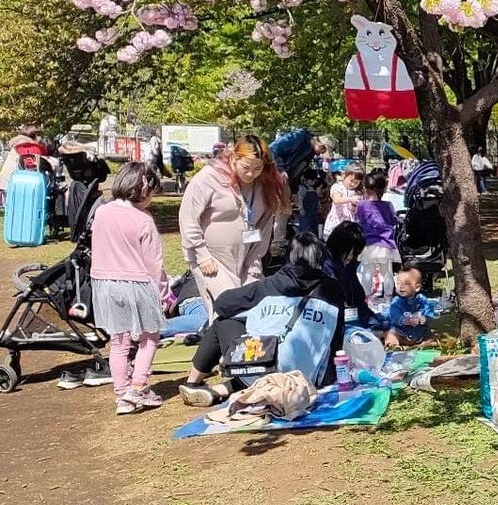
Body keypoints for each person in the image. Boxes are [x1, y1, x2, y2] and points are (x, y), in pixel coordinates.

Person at [178, 225, 369, 404]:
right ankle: (219, 390)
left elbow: (222, 304)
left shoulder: (271, 284)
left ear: (290, 258)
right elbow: (336, 337)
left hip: (266, 367)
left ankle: (193, 381)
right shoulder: (333, 289)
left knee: (223, 323)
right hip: (312, 379)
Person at [89, 161, 169, 416]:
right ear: (143, 189)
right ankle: (138, 385)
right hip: (138, 283)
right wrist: (164, 292)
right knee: (149, 336)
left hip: (105, 283)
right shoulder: (143, 220)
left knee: (119, 341)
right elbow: (154, 264)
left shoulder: (102, 212)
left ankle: (122, 394)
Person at [178, 134, 289, 315]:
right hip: (212, 259)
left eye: (257, 169)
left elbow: (265, 225)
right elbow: (188, 217)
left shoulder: (263, 184)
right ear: (233, 157)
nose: (251, 174)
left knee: (256, 309)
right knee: (227, 310)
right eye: (246, 167)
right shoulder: (208, 178)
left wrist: (255, 260)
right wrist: (202, 254)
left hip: (247, 259)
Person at [379, 265, 443, 348]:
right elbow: (394, 315)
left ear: (417, 287)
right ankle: (393, 345)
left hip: (420, 333)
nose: (401, 286)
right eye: (398, 283)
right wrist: (404, 320)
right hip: (401, 333)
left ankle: (424, 343)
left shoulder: (422, 300)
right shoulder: (397, 301)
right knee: (391, 334)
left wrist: (426, 318)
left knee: (435, 335)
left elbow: (429, 310)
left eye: (407, 283)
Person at [324, 162, 363, 236]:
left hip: (350, 223)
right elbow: (337, 200)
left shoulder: (358, 192)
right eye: (351, 181)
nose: (353, 184)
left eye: (356, 182)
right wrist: (350, 199)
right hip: (337, 222)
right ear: (344, 175)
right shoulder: (338, 187)